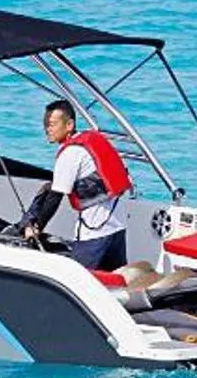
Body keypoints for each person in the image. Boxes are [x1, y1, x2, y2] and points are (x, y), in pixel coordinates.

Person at [20, 99, 132, 270]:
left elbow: (55, 197)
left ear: (69, 124)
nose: (47, 129)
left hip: (94, 232)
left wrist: (37, 228)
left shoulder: (70, 153)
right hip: (117, 227)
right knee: (112, 280)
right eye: (45, 124)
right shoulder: (91, 139)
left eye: (52, 124)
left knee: (77, 277)